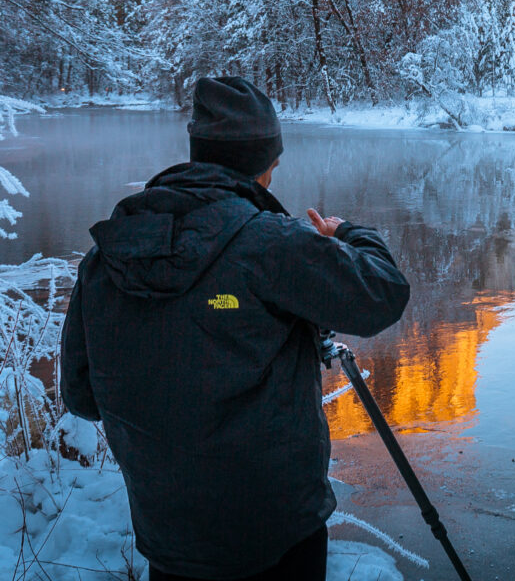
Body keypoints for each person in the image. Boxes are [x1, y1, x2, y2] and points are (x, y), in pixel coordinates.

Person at [60, 77, 410, 581]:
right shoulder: (271, 244)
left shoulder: (109, 254)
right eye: (274, 164)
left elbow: (82, 398)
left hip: (169, 539)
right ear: (262, 165)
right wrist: (346, 235)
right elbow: (384, 294)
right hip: (276, 537)